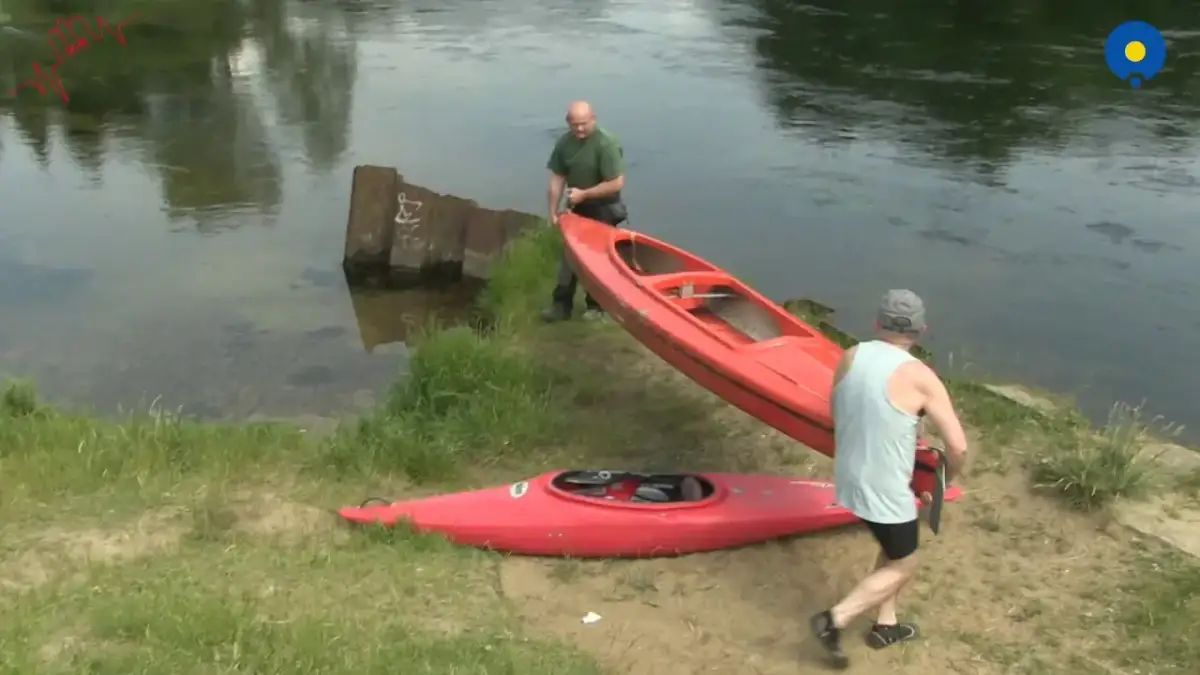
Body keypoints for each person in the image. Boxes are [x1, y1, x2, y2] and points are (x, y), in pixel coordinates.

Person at [809, 289, 969, 669]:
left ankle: (886, 623)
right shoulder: (921, 377)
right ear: (921, 329)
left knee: (895, 543)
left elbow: (840, 408)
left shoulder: (851, 356)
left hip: (849, 474)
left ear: (877, 323)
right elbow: (958, 447)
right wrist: (941, 483)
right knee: (905, 563)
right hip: (884, 486)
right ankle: (834, 620)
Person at [540, 100, 628, 322]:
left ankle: (597, 308)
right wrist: (552, 211)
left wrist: (585, 194)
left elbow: (616, 182)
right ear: (568, 122)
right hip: (576, 206)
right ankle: (560, 306)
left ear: (593, 119)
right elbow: (557, 178)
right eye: (575, 124)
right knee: (568, 258)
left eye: (584, 124)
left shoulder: (605, 143)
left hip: (603, 207)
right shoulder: (564, 143)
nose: (579, 129)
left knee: (598, 260)